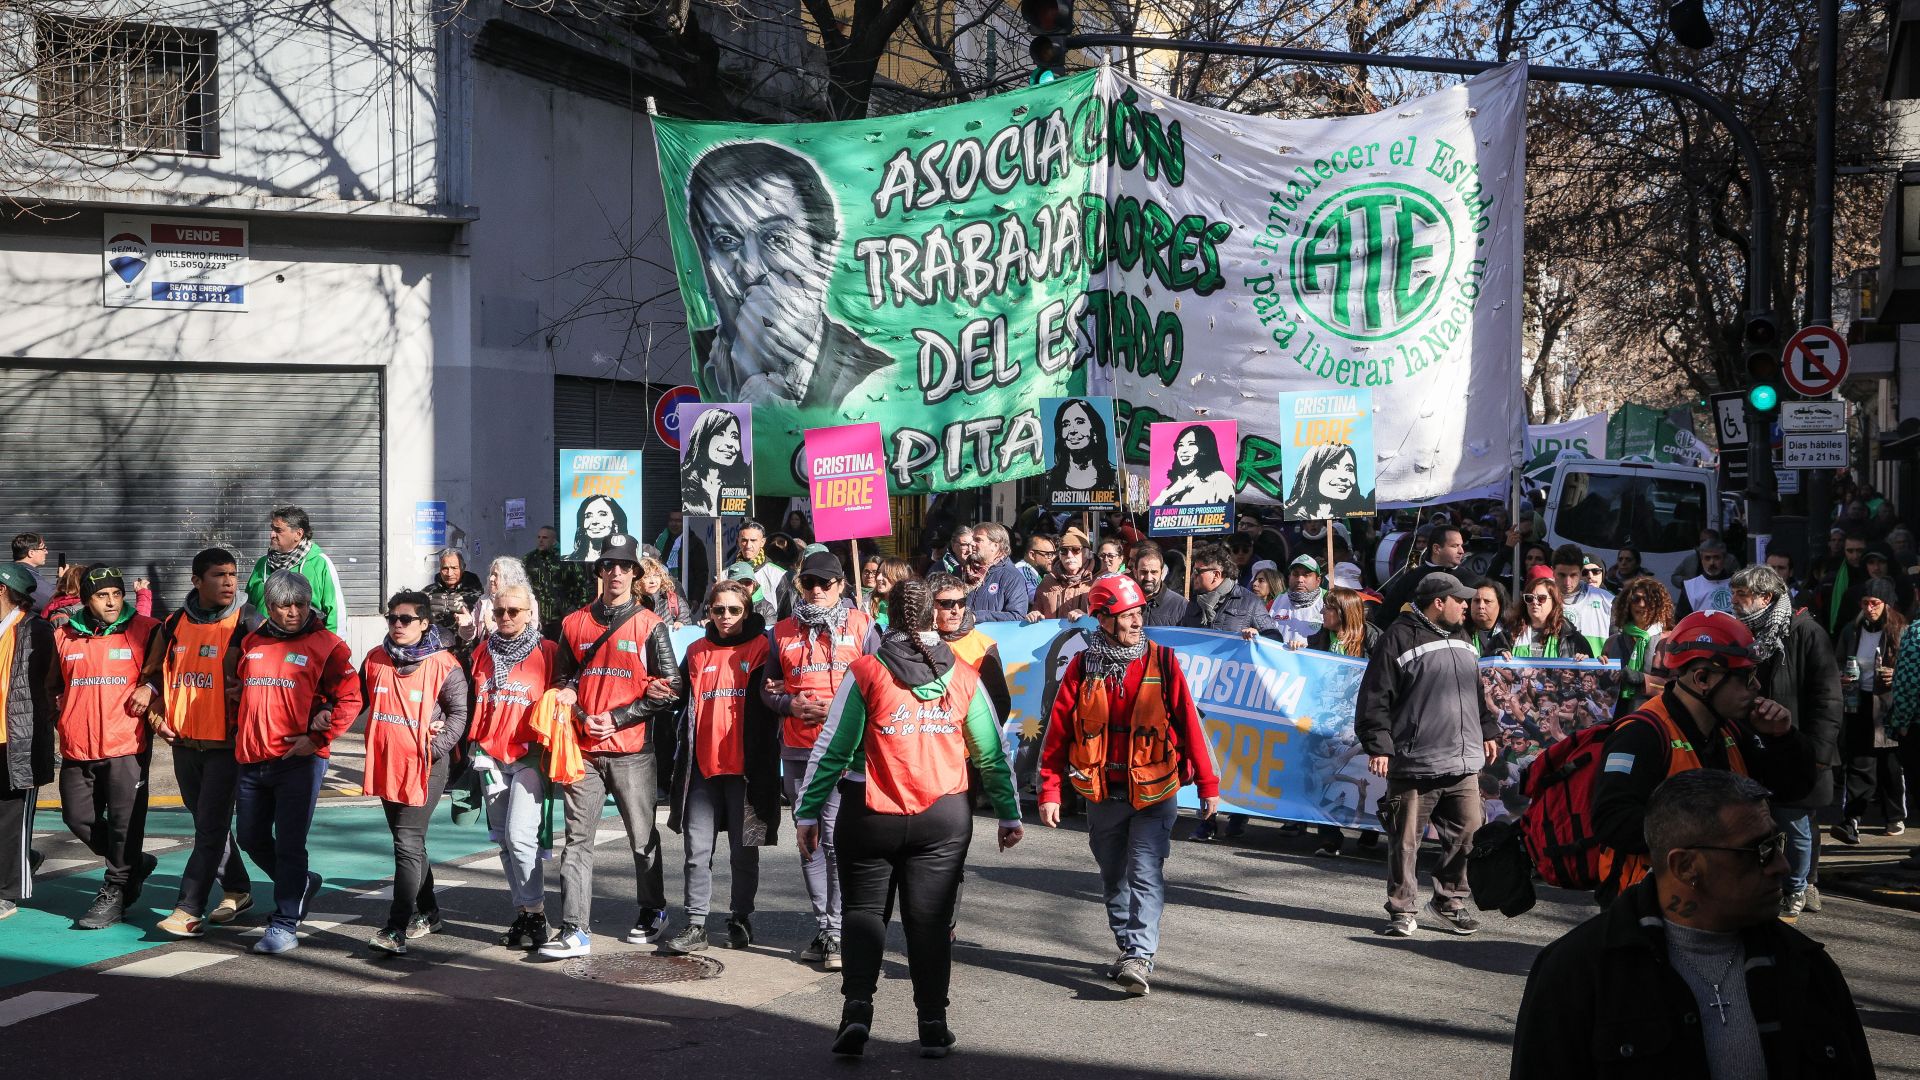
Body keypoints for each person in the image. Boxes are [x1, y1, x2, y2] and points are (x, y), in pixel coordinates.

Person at [1511, 769, 1874, 1079]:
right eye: (1759, 850)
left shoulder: (1806, 967)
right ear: (1686, 866)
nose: (1782, 865)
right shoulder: (1578, 972)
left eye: (1778, 844)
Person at [797, 580, 1022, 1057]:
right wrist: (1008, 813)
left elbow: (832, 750)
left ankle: (856, 1011)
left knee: (862, 913)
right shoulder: (963, 674)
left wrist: (807, 811)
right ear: (934, 617)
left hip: (868, 812)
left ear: (885, 616)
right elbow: (991, 754)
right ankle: (933, 1023)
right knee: (930, 921)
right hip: (943, 816)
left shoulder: (866, 671)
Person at [1037, 575, 1220, 996]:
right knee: (1113, 877)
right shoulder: (1083, 667)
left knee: (1145, 872)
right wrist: (1048, 790)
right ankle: (1128, 948)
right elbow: (1057, 734)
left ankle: (1140, 954)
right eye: (1126, 615)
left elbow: (1191, 727)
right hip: (1101, 792)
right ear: (1102, 619)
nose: (1137, 622)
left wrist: (1208, 785)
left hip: (1156, 790)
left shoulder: (1164, 661)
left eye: (1139, 613)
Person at [1589, 611, 1815, 907]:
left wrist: (1783, 738)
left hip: (1715, 899)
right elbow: (1612, 821)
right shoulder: (1641, 735)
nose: (1757, 687)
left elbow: (1793, 791)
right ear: (1702, 678)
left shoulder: (1732, 728)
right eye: (1746, 677)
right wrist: (1710, 827)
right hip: (1651, 906)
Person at [538, 535, 686, 959]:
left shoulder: (649, 624)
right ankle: (574, 929)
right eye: (609, 565)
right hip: (582, 749)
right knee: (577, 840)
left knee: (641, 838)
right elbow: (562, 681)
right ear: (599, 571)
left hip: (633, 751)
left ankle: (653, 909)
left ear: (636, 574)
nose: (616, 572)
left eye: (624, 566)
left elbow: (672, 687)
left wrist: (617, 719)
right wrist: (584, 716)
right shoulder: (573, 623)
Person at [687, 142, 891, 407]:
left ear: (823, 250)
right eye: (726, 241)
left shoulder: (876, 379)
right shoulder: (697, 359)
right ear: (706, 257)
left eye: (776, 239)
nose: (751, 269)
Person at [1354, 572, 1495, 937]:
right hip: (1415, 761)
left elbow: (1475, 693)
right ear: (1438, 603)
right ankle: (1402, 910)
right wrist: (1379, 746)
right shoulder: (1397, 638)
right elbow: (1375, 698)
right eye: (1460, 600)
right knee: (1405, 842)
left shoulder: (1465, 637)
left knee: (1470, 832)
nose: (1467, 606)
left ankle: (1448, 900)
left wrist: (1489, 730)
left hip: (1462, 761)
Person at [760, 549, 882, 969]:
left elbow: (882, 687)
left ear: (842, 586)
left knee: (833, 840)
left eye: (824, 583)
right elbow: (767, 690)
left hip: (844, 752)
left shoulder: (864, 626)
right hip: (797, 749)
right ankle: (825, 926)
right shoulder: (781, 632)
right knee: (808, 840)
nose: (815, 590)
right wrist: (789, 706)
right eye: (808, 582)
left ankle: (836, 931)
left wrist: (836, 713)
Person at [233, 570, 362, 954]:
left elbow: (351, 699)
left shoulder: (328, 646)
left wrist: (318, 738)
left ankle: (285, 922)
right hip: (251, 759)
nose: (293, 612)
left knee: (290, 844)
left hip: (298, 763)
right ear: (269, 607)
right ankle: (302, 882)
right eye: (284, 605)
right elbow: (246, 689)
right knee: (250, 838)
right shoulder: (252, 641)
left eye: (300, 605)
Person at [131, 548, 258, 938]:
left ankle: (187, 909)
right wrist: (156, 719)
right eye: (219, 575)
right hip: (184, 744)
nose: (229, 582)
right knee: (208, 824)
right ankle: (237, 889)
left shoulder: (249, 622)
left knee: (209, 828)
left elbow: (268, 676)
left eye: (233, 575)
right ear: (196, 581)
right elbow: (153, 678)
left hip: (227, 745)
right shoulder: (172, 625)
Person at [662, 580, 782, 955]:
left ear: (746, 611)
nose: (726, 617)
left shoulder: (762, 647)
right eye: (718, 610)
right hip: (702, 768)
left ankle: (740, 918)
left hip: (746, 770)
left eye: (734, 610)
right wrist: (659, 690)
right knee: (697, 851)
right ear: (708, 612)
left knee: (743, 851)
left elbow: (774, 696)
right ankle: (696, 924)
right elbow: (677, 694)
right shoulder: (697, 650)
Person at [357, 590, 469, 955]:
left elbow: (459, 717)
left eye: (406, 619)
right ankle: (431, 912)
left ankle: (395, 928)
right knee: (410, 843)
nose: (398, 625)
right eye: (392, 618)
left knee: (406, 844)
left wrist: (433, 749)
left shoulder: (445, 664)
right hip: (387, 763)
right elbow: (352, 699)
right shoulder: (375, 659)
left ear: (424, 623)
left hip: (426, 767)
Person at [50, 565, 163, 930]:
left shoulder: (147, 630)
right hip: (77, 745)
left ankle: (115, 889)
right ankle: (134, 864)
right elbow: (52, 685)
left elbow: (168, 672)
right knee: (77, 818)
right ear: (86, 600)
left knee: (123, 825)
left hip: (125, 744)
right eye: (102, 595)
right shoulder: (65, 635)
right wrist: (64, 718)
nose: (112, 601)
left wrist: (152, 688)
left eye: (117, 593)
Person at [1727, 564, 1841, 918]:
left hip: (1798, 749)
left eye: (1742, 595)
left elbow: (1827, 698)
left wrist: (1818, 753)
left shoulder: (1806, 633)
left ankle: (1801, 885)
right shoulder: (1743, 634)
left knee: (1797, 822)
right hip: (1756, 751)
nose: (1735, 602)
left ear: (1766, 597)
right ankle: (1775, 886)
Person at [465, 582, 560, 951]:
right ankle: (523, 911)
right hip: (490, 756)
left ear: (529, 614)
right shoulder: (482, 653)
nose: (505, 617)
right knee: (504, 840)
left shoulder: (548, 651)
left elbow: (563, 694)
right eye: (499, 611)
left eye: (513, 611)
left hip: (529, 758)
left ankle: (536, 913)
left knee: (521, 838)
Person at [1302, 586, 1383, 858]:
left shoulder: (1373, 638)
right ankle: (1329, 838)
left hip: (1363, 721)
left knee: (1367, 774)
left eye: (1328, 607)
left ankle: (1370, 831)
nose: (1323, 612)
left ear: (1344, 612)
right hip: (1328, 723)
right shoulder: (1318, 639)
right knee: (1325, 776)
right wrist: (1296, 648)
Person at [1832, 580, 1906, 845]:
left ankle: (1894, 815)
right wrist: (1842, 675)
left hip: (1886, 705)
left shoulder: (1900, 630)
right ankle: (1852, 819)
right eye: (1865, 603)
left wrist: (1895, 674)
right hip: (1857, 701)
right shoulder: (1852, 630)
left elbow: (1910, 666)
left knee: (1889, 763)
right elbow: (1839, 659)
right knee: (1859, 762)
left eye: (1875, 603)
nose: (1870, 608)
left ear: (1886, 604)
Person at [0, 564, 54, 921]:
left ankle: (7, 893)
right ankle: (24, 858)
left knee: (11, 818)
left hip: (17, 740)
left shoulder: (36, 629)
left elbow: (50, 686)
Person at [246, 505, 347, 633]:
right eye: (272, 529)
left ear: (298, 534)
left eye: (278, 530)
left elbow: (337, 613)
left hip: (307, 647)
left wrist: (332, 649)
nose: (272, 535)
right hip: (265, 646)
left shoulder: (320, 563)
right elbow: (248, 608)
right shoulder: (262, 564)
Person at [927, 573, 1012, 723]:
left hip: (965, 738)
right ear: (929, 605)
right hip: (926, 736)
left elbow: (999, 704)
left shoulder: (984, 646)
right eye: (947, 603)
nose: (956, 610)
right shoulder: (915, 641)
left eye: (961, 602)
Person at [1371, 525, 1469, 627]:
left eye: (1461, 545)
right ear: (1436, 548)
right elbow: (1385, 617)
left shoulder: (1469, 578)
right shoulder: (1411, 578)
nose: (1461, 551)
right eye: (1455, 546)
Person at [1602, 576, 1671, 719]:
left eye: (1649, 600)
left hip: (1656, 718)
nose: (1642, 605)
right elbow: (1601, 688)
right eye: (1636, 599)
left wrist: (1643, 679)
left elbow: (1678, 688)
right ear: (1627, 603)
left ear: (1659, 605)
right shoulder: (1612, 642)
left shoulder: (1669, 642)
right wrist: (1598, 669)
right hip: (1616, 718)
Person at [1178, 543, 1279, 639]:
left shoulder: (1250, 602)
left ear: (1216, 575)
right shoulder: (1194, 602)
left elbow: (1274, 637)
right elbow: (1181, 636)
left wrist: (1257, 636)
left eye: (1197, 572)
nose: (1193, 576)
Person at [680, 407, 751, 517]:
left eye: (734, 436)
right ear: (703, 438)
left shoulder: (744, 480)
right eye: (720, 434)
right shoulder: (684, 480)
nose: (730, 443)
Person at [1506, 568, 1591, 659]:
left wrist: (1584, 661)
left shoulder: (1572, 638)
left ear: (1554, 602)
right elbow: (1491, 655)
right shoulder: (1509, 633)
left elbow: (1591, 670)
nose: (1534, 602)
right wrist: (1499, 652)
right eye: (1529, 598)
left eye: (1541, 598)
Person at [1045, 398, 1117, 503]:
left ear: (1095, 431)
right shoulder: (1049, 479)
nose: (1072, 430)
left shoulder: (1114, 479)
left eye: (1080, 422)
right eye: (1066, 424)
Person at [526, 526, 590, 639]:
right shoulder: (529, 559)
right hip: (536, 620)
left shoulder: (566, 559)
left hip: (561, 618)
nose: (540, 540)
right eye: (539, 537)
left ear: (554, 540)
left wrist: (576, 611)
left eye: (545, 537)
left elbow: (582, 586)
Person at [1283, 442, 1370, 521]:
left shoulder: (1357, 515)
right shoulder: (1291, 515)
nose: (1344, 477)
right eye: (1332, 467)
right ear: (1312, 472)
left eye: (1349, 469)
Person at [1152, 424, 1234, 507]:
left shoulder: (1219, 479)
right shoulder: (1175, 485)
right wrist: (1169, 493)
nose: (1183, 450)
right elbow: (1153, 513)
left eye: (1191, 444)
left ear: (1204, 449)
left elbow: (1225, 515)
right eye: (1180, 445)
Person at [965, 523, 1032, 623]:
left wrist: (977, 617)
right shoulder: (963, 571)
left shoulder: (1011, 576)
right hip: (962, 636)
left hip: (992, 637)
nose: (972, 544)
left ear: (995, 545)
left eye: (978, 540)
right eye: (972, 539)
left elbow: (1017, 616)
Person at [1552, 544, 1613, 654]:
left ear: (1581, 572)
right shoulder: (1539, 600)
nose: (1567, 582)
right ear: (1553, 571)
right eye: (1562, 575)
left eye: (1573, 575)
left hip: (1595, 669)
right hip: (1552, 669)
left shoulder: (1606, 600)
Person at [423, 547, 483, 659]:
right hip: (437, 655)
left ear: (463, 567)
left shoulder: (478, 594)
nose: (449, 573)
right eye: (445, 568)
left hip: (469, 656)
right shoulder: (427, 593)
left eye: (454, 568)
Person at [1030, 527, 1094, 621]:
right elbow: (1037, 611)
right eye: (1064, 551)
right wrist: (1034, 615)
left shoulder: (1098, 581)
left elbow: (1107, 621)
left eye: (1076, 550)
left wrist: (1086, 618)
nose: (1069, 555)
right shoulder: (1048, 581)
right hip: (1053, 636)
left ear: (1087, 553)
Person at [1819, 533, 1870, 638]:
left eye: (1859, 551)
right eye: (1850, 551)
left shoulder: (1873, 574)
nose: (1855, 556)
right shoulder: (1832, 578)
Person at [1267, 555, 1326, 647]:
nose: (1300, 580)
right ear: (1289, 577)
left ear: (1318, 581)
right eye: (1295, 574)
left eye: (1306, 575)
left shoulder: (1328, 601)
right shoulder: (1277, 600)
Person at [735, 521, 786, 615]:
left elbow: (786, 611)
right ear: (738, 541)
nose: (748, 545)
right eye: (744, 540)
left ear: (762, 542)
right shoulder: (725, 573)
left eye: (753, 540)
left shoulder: (777, 574)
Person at [566, 495, 629, 563]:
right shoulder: (568, 561)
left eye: (602, 514)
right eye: (588, 516)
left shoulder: (627, 561)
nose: (594, 522)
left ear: (616, 523)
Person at [638, 556, 689, 627]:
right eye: (646, 576)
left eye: (656, 575)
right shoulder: (632, 603)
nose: (652, 581)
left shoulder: (675, 601)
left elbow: (687, 624)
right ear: (638, 580)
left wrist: (682, 624)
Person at [1468, 580, 1512, 657]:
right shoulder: (1461, 633)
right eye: (1476, 601)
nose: (1481, 606)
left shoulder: (1512, 633)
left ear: (1500, 605)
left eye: (1487, 601)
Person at [10, 532, 52, 613]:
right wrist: (64, 581)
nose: (46, 552)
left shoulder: (10, 570)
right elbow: (51, 601)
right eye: (43, 549)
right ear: (31, 553)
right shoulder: (28, 577)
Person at [867, 557, 914, 628]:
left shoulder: (910, 604)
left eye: (885, 574)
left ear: (899, 576)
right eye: (879, 572)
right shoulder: (868, 601)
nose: (878, 578)